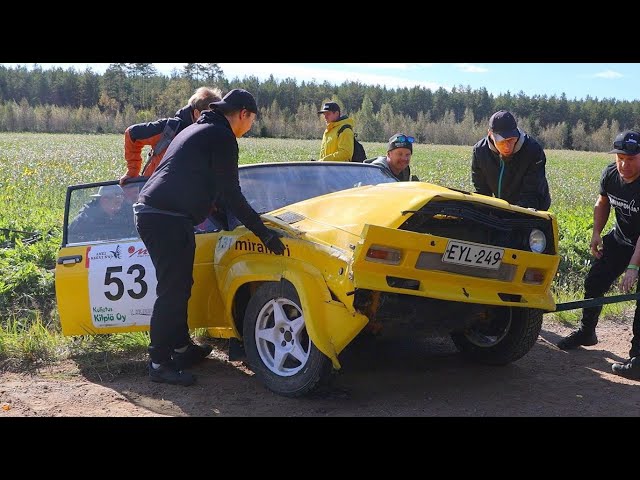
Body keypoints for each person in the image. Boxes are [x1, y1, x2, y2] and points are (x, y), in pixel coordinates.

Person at [134, 88, 286, 386]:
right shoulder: (221, 135)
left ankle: (180, 349)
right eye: (252, 120)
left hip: (161, 214)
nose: (250, 127)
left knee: (180, 285)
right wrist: (264, 234)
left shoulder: (203, 127)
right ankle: (159, 362)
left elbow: (207, 183)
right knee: (172, 290)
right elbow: (231, 192)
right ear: (243, 114)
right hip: (165, 217)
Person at [556, 130, 640, 379]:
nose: (624, 164)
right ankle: (586, 331)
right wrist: (596, 234)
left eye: (631, 159)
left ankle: (637, 359)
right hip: (620, 239)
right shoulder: (611, 174)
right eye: (620, 158)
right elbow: (602, 202)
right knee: (595, 280)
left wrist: (633, 268)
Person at [119, 86, 222, 185]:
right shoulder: (169, 129)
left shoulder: (211, 136)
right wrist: (132, 172)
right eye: (212, 115)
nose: (216, 121)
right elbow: (132, 134)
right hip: (153, 192)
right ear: (196, 114)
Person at [471, 110, 551, 210]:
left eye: (511, 140)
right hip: (503, 206)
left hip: (534, 206)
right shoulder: (480, 152)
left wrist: (512, 214)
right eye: (502, 142)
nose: (508, 147)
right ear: (490, 134)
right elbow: (481, 191)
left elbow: (531, 193)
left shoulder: (533, 151)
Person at [68, 184, 136, 242]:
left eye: (122, 196)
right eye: (117, 197)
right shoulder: (83, 219)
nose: (121, 199)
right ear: (104, 199)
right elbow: (72, 243)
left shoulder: (128, 216)